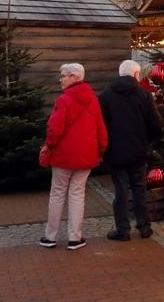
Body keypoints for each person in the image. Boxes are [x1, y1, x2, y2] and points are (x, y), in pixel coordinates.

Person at [39, 63, 107, 249]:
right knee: (77, 195)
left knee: (57, 194)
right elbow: (101, 129)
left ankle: (50, 237)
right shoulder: (93, 100)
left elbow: (54, 129)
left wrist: (49, 146)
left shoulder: (63, 101)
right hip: (86, 155)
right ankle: (75, 238)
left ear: (75, 77)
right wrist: (101, 150)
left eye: (64, 76)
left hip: (63, 155)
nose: (61, 79)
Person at [98, 59, 160, 242]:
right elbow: (156, 124)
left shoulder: (106, 95)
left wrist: (105, 147)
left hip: (115, 152)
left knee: (121, 191)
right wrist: (147, 141)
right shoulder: (144, 95)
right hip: (138, 151)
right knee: (140, 189)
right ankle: (144, 227)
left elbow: (100, 124)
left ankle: (123, 230)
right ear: (136, 74)